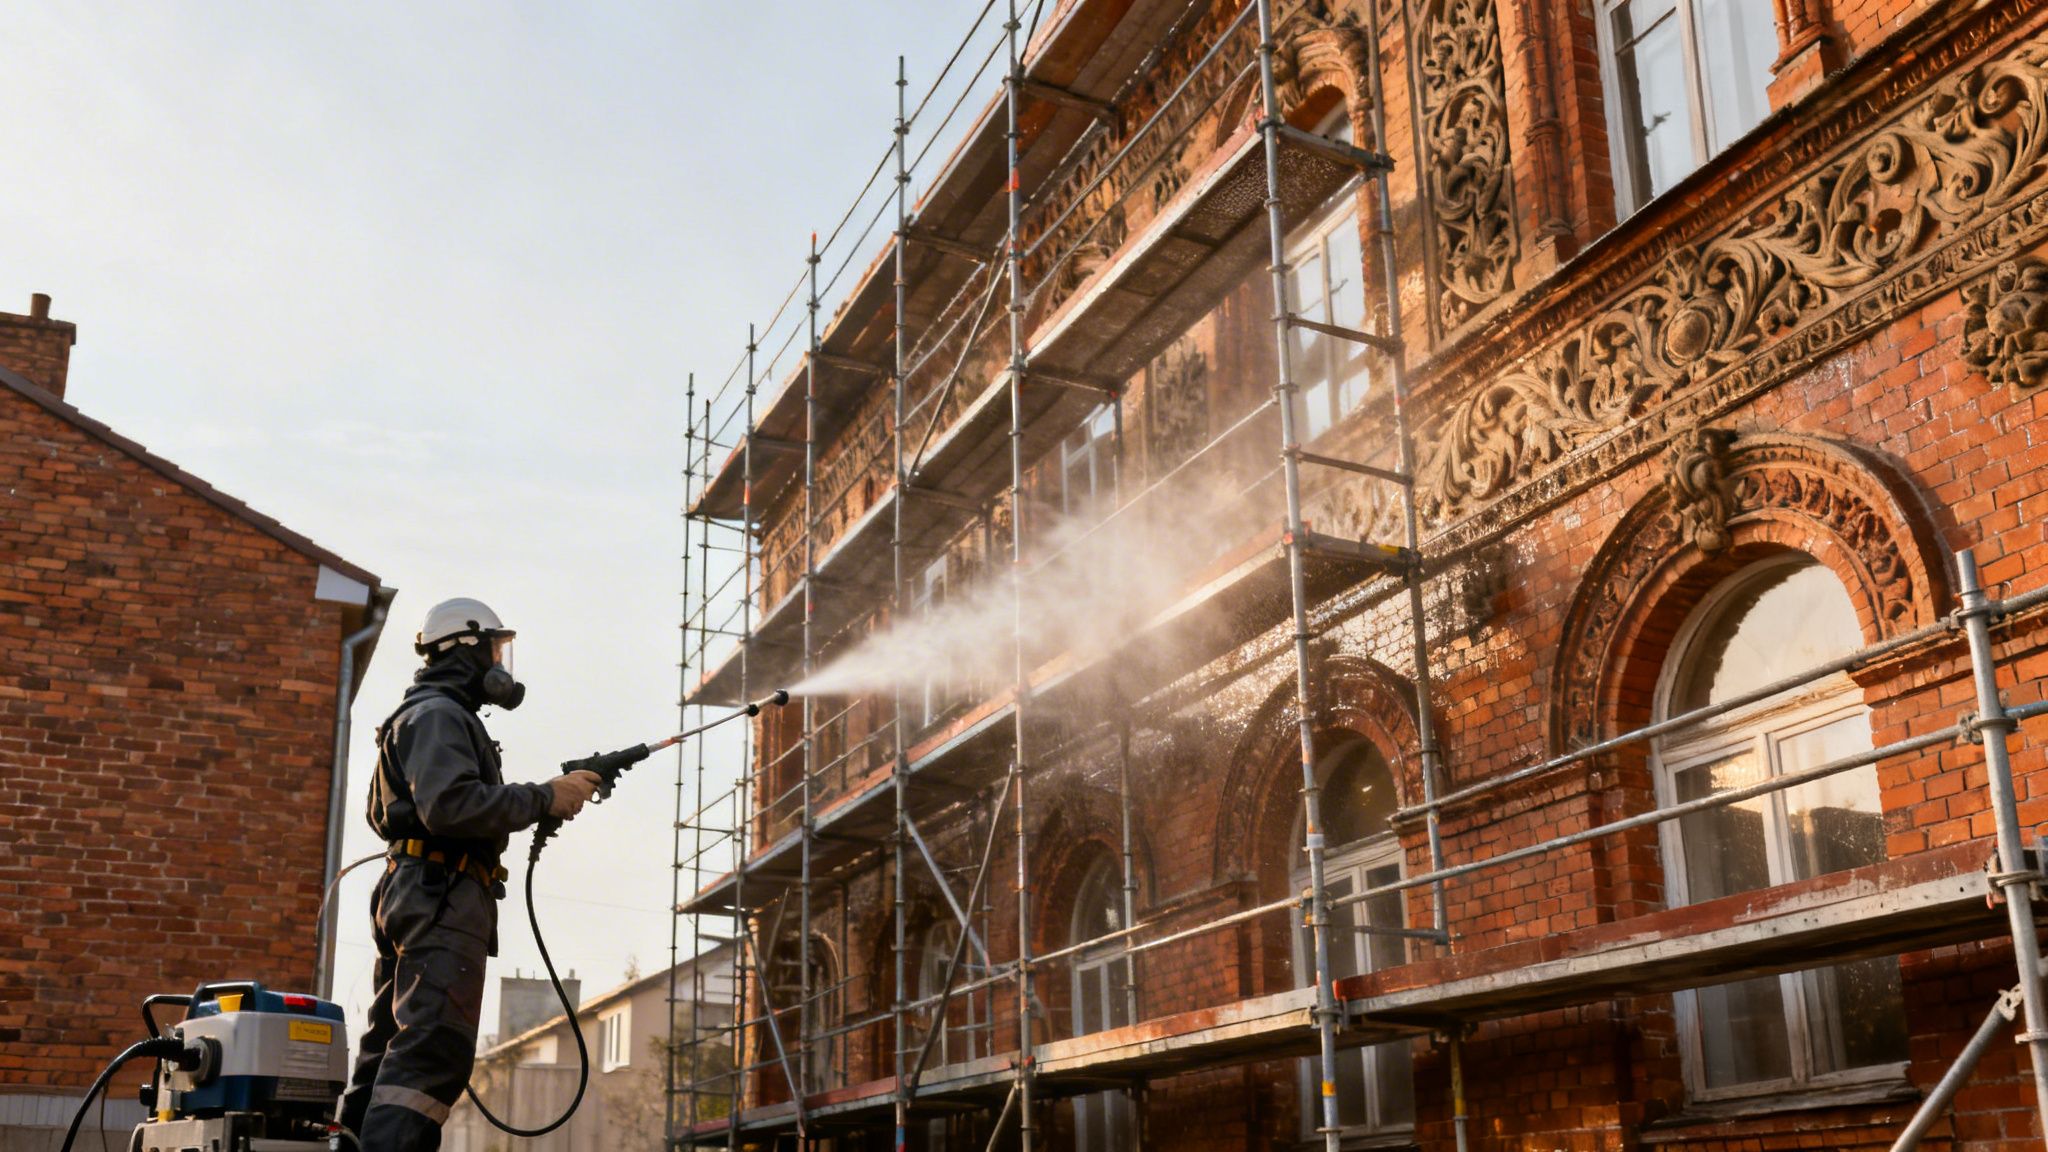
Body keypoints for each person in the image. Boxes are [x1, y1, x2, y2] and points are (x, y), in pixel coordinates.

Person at [338, 597, 602, 1150]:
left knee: (391, 1047)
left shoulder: (425, 714)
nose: (500, 665)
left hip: (417, 890)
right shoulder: (438, 715)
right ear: (465, 649)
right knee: (429, 1053)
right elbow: (451, 806)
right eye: (493, 650)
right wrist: (544, 797)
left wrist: (545, 797)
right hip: (441, 895)